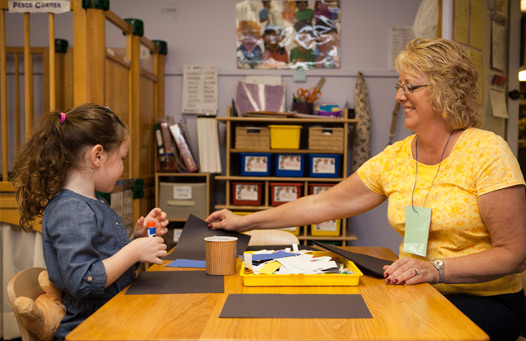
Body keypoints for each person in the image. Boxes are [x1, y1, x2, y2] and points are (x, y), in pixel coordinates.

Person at [207, 38, 526, 340]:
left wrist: (435, 270)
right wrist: (242, 220)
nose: (400, 96)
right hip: (416, 292)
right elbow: (323, 204)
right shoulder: (397, 157)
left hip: (488, 301)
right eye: (399, 86)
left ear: (446, 91)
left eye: (410, 87)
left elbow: (514, 255)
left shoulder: (487, 151)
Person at [12, 103, 169, 340]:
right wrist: (134, 251)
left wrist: (139, 239)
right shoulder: (70, 210)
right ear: (97, 156)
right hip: (90, 327)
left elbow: (105, 262)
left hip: (112, 314)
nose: (123, 167)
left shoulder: (91, 202)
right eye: (122, 158)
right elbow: (83, 281)